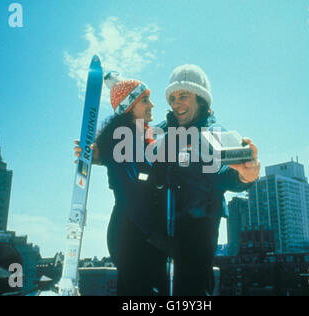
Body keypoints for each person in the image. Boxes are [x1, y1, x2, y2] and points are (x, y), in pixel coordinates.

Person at [153, 64, 261, 296]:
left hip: (198, 224)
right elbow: (133, 152)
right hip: (160, 224)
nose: (175, 103)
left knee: (191, 289)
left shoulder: (215, 133)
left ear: (201, 99)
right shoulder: (162, 130)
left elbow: (228, 174)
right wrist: (98, 153)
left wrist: (245, 175)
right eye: (172, 97)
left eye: (183, 95)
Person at [74, 72, 167, 296]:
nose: (152, 104)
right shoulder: (121, 139)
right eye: (144, 100)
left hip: (141, 235)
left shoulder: (141, 139)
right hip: (133, 234)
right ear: (129, 107)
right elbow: (136, 187)